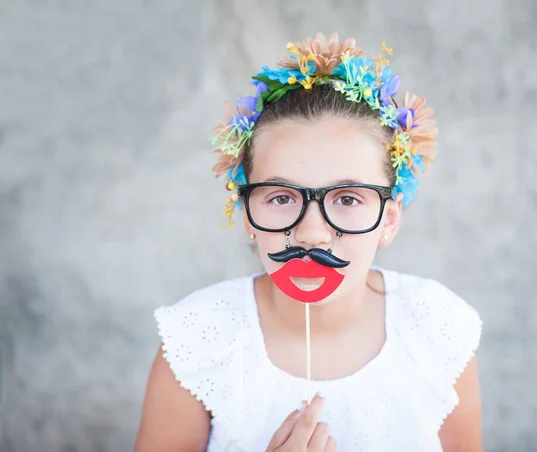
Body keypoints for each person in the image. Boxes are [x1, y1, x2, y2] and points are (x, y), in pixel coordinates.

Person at [134, 33, 483, 452]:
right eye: (281, 198)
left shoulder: (437, 331)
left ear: (389, 219)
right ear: (247, 213)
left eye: (348, 198)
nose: (312, 233)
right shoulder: (196, 344)